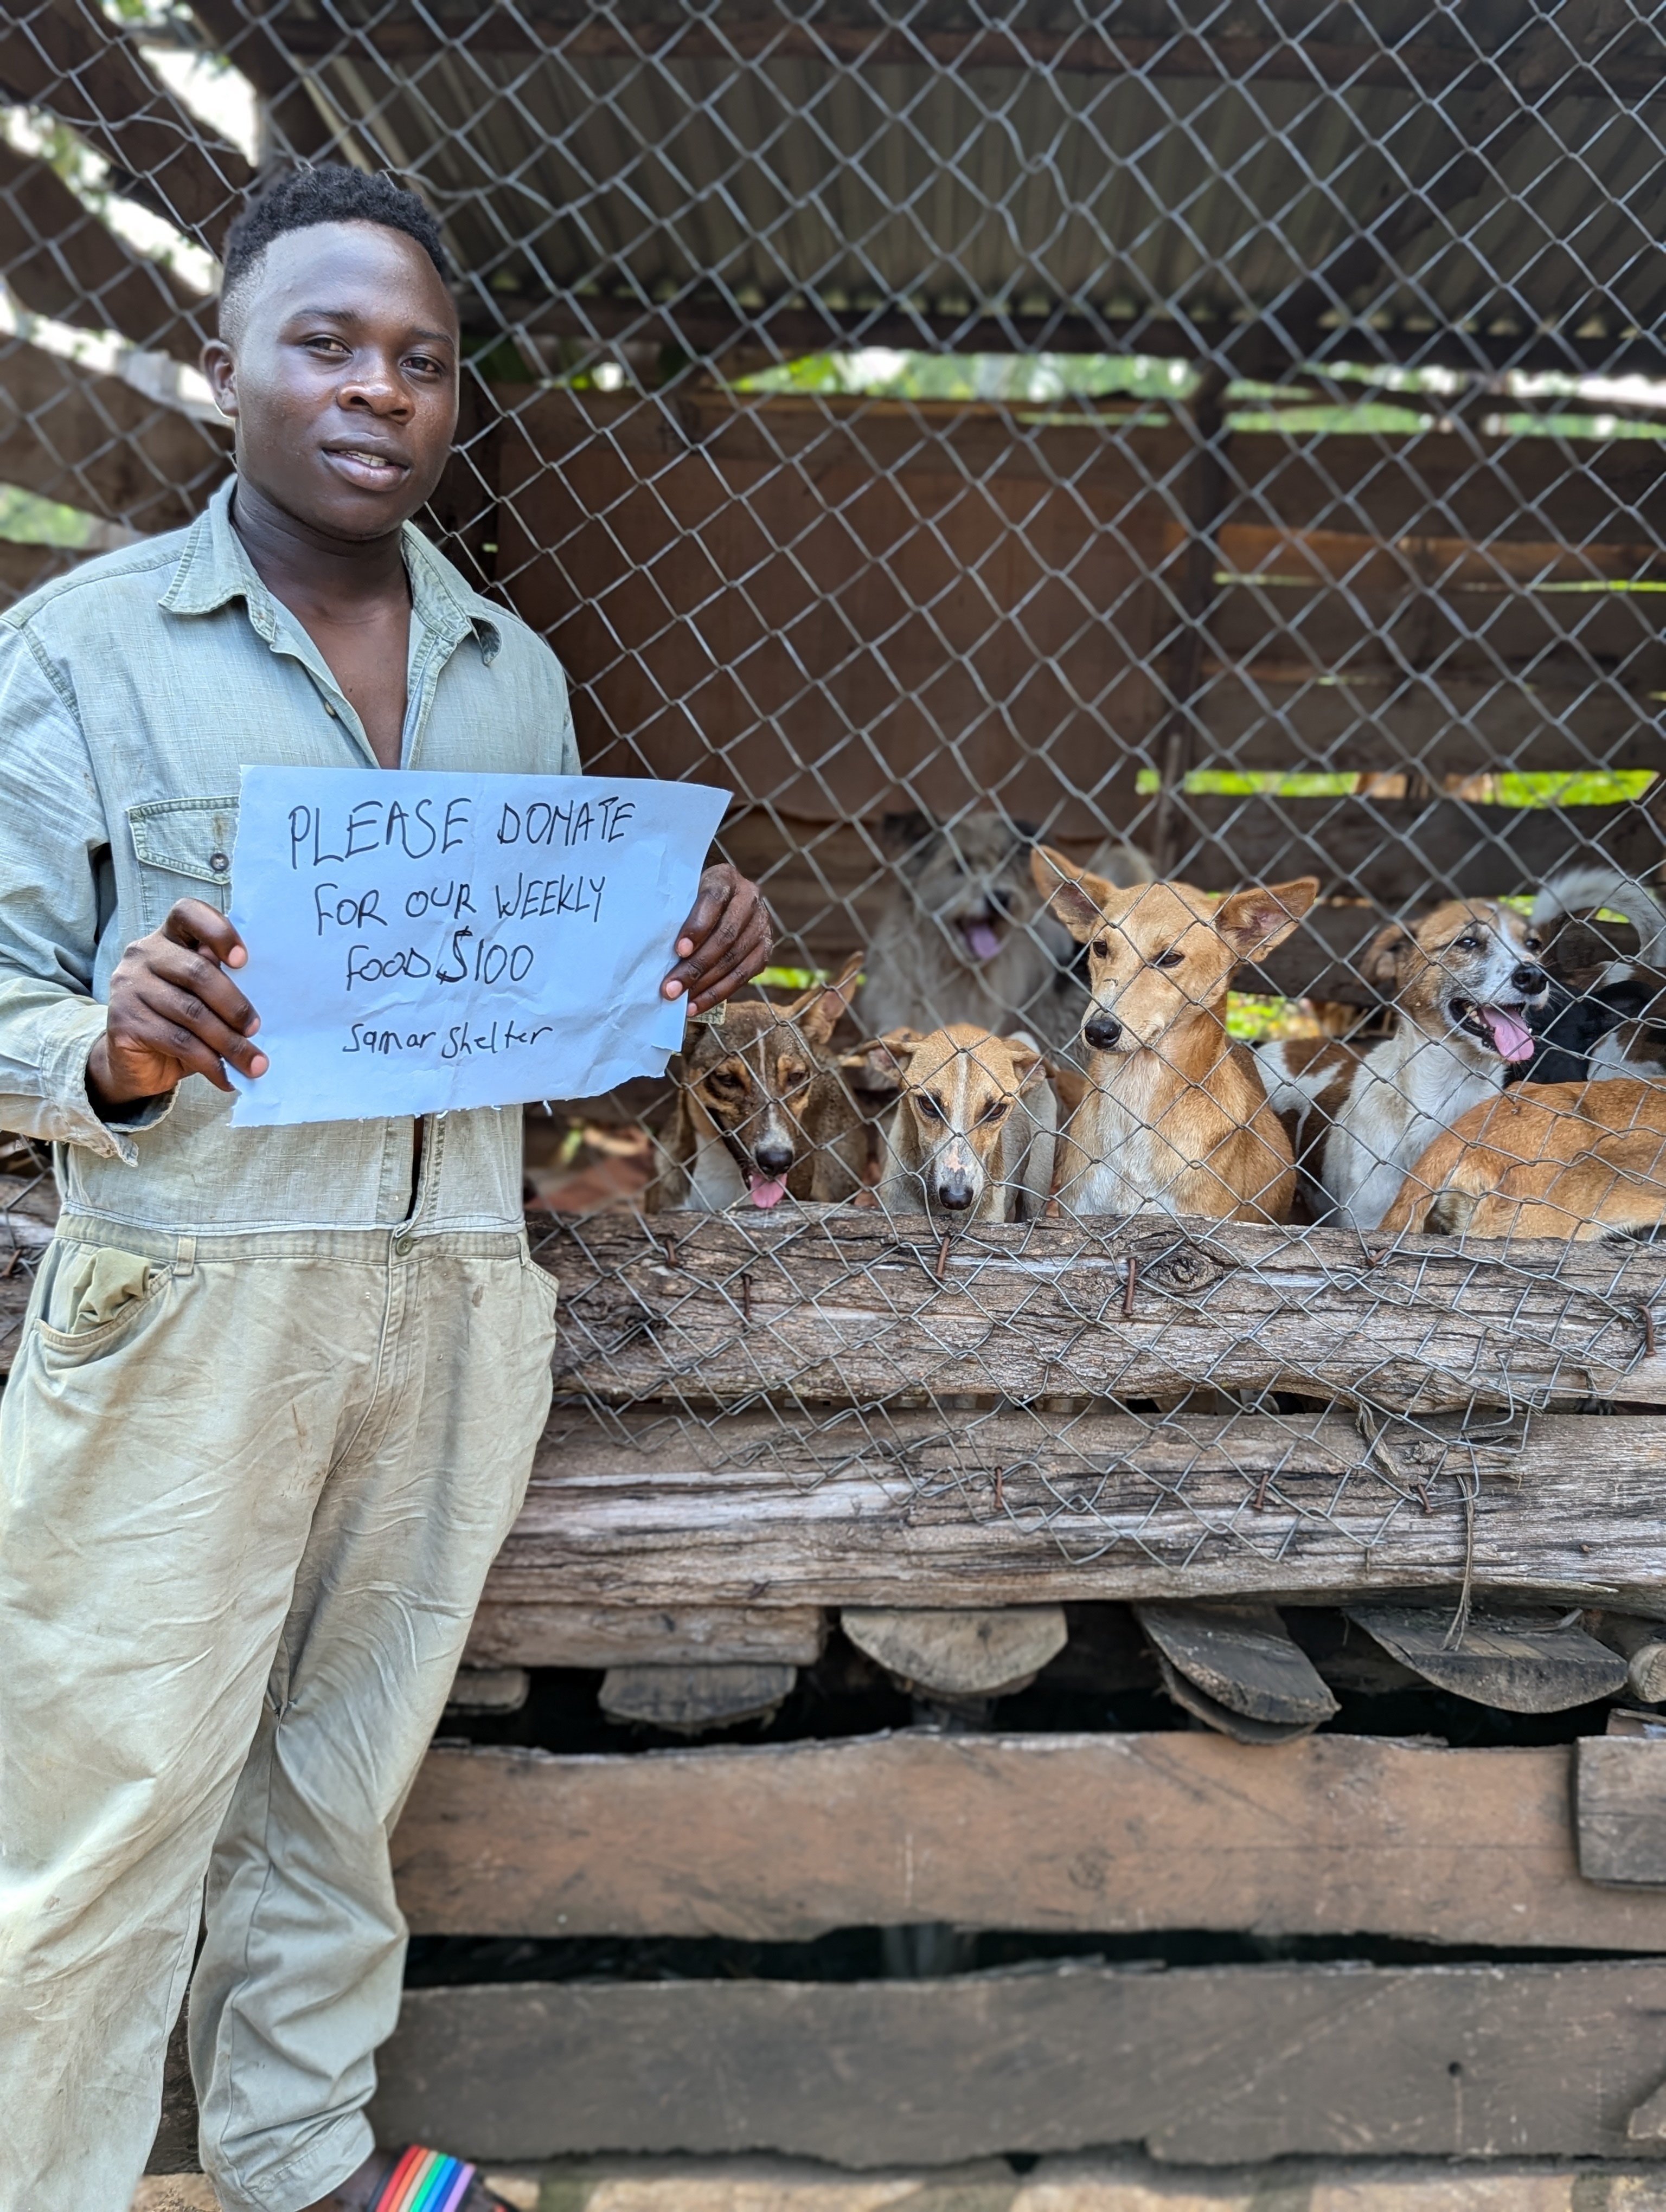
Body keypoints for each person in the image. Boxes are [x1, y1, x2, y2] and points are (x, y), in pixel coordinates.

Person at [0, 166, 770, 2212]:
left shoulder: (509, 672)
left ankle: (296, 2155)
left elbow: (538, 1007)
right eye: (326, 344)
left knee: (343, 1780)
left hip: (449, 1290)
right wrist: (113, 1039)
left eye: (420, 362)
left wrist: (676, 957)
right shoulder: (82, 654)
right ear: (224, 365)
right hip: (189, 1292)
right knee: (110, 1791)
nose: (378, 392)